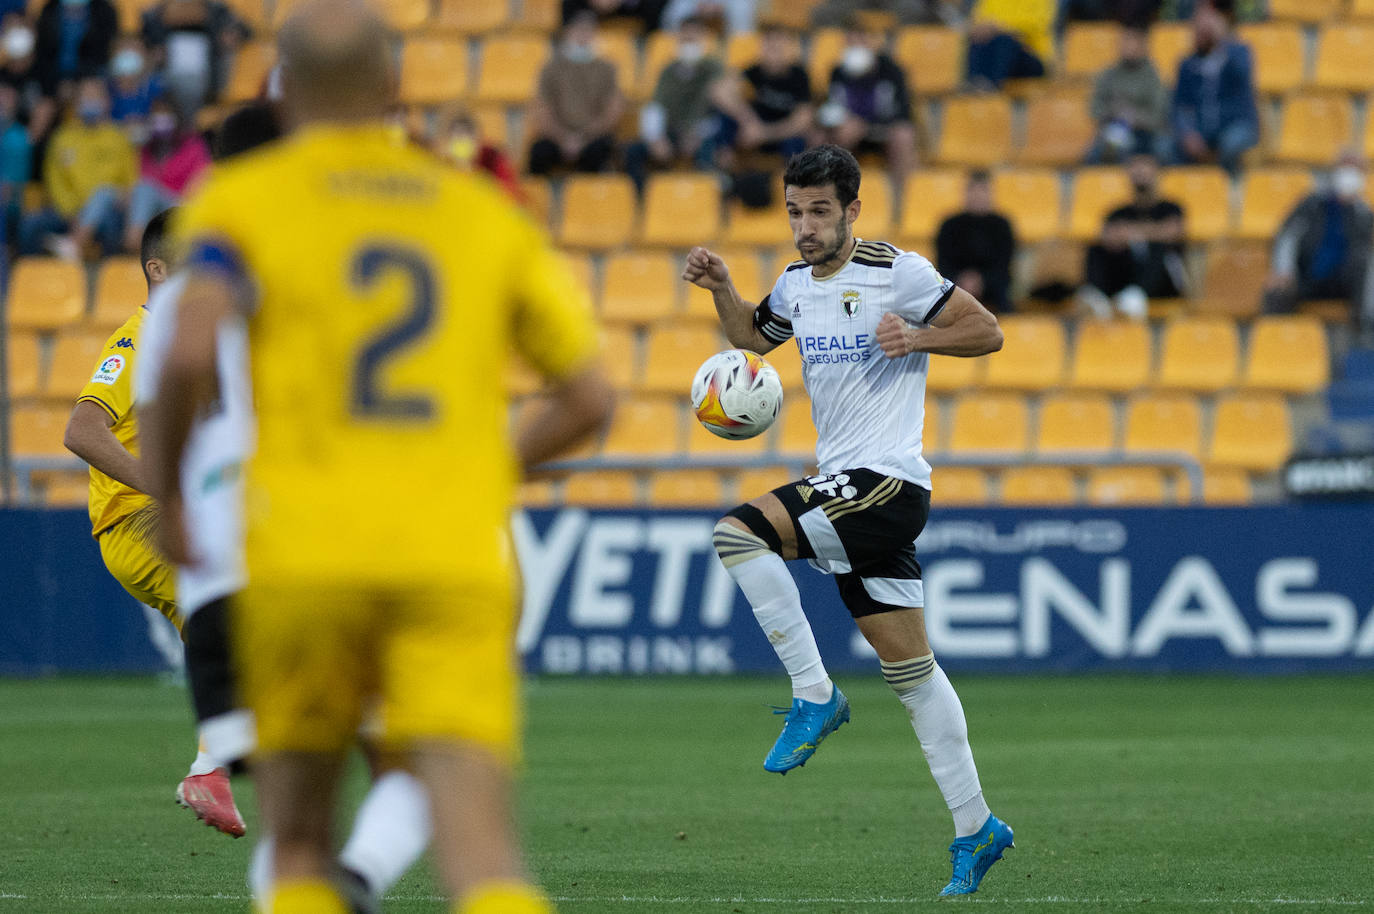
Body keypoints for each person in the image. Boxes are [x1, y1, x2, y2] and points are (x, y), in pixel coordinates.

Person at [143, 3, 614, 912]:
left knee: (300, 846)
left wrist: (167, 496)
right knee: (483, 853)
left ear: (285, 92)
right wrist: (485, 469)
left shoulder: (243, 202)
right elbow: (591, 397)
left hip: (300, 553)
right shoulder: (475, 210)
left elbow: (189, 351)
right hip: (449, 555)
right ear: (394, 88)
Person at [682, 144, 1011, 897]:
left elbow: (988, 330)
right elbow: (751, 341)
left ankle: (814, 693)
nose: (805, 226)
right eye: (795, 212)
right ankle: (978, 828)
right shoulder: (796, 284)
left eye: (820, 211)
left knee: (737, 532)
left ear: (853, 210)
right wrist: (723, 289)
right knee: (913, 675)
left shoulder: (899, 272)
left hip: (886, 483)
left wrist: (921, 336)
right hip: (848, 488)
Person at [61, 209, 248, 837]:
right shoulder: (135, 340)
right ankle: (211, 766)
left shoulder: (199, 342)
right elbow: (80, 430)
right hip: (134, 520)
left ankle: (218, 766)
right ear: (159, 269)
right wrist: (163, 486)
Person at [21, 78, 136, 259]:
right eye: (85, 97)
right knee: (30, 224)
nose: (90, 101)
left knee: (112, 225)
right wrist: (71, 211)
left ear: (106, 102)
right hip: (65, 212)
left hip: (106, 213)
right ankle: (29, 278)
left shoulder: (118, 138)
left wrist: (112, 203)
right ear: (76, 103)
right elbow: (54, 180)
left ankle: (106, 279)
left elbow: (130, 180)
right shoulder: (62, 137)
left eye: (95, 96)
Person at [1264, 153, 1374, 332]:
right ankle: (1276, 345)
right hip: (1306, 276)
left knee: (1364, 266)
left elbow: (1366, 253)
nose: (1349, 176)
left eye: (1356, 171)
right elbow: (1287, 237)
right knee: (1276, 292)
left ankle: (1362, 343)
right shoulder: (1312, 204)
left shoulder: (1363, 214)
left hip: (1342, 282)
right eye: (1345, 169)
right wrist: (1284, 271)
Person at [1079, 152, 1186, 319]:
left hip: (1163, 282)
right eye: (1136, 167)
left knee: (1158, 248)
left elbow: (1172, 233)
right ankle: (1097, 295)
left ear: (1157, 171)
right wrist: (1150, 232)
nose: (1140, 172)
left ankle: (1138, 293)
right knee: (1096, 248)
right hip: (1128, 274)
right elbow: (1109, 237)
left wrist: (1133, 233)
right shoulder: (1118, 212)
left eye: (1146, 166)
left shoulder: (1170, 208)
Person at [624, 16, 724, 192]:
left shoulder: (714, 67)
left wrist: (697, 133)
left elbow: (720, 109)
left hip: (705, 133)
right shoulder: (669, 70)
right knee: (632, 151)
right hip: (675, 131)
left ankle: (708, 196)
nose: (689, 43)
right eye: (685, 38)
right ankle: (642, 198)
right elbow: (656, 104)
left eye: (693, 38)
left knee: (710, 151)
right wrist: (655, 138)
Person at [527, 10, 623, 175]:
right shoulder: (551, 68)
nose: (583, 36)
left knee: (600, 151)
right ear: (568, 32)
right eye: (579, 30)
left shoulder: (606, 68)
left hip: (593, 137)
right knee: (538, 153)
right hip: (557, 137)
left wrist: (584, 137)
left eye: (588, 31)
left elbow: (612, 110)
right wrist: (563, 138)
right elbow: (542, 109)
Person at [816, 28, 917, 181]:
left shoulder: (892, 71)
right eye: (851, 44)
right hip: (850, 131)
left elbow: (903, 112)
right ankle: (836, 188)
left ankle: (901, 192)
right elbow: (832, 107)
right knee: (823, 136)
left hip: (883, 129)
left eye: (860, 42)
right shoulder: (838, 72)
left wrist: (866, 124)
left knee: (904, 135)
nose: (856, 48)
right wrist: (842, 122)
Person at [1170, 0, 1257, 174]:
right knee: (1167, 148)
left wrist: (1222, 40)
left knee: (1232, 143)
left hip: (1235, 124)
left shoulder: (1239, 53)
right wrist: (1187, 133)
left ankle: (1228, 188)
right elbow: (1180, 105)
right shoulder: (1187, 64)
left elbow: (1241, 73)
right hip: (1201, 129)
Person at [709, 23, 812, 169]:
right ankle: (724, 176)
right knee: (723, 120)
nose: (773, 53)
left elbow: (802, 120)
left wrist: (764, 132)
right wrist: (748, 119)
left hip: (781, 132)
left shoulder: (799, 75)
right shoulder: (754, 71)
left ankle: (790, 183)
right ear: (762, 48)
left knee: (797, 141)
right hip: (753, 128)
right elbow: (718, 92)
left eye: (778, 48)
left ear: (788, 48)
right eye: (769, 47)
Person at [123, 97, 211, 251]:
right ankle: (137, 242)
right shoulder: (145, 150)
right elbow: (137, 186)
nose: (160, 118)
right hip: (153, 213)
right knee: (137, 191)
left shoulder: (193, 145)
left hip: (182, 206)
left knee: (146, 188)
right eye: (157, 114)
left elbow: (202, 181)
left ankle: (134, 242)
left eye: (165, 113)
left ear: (176, 117)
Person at [139, 0, 253, 113]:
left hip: (208, 84)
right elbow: (140, 42)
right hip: (167, 83)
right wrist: (153, 52)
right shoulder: (153, 15)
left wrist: (232, 34)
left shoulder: (218, 11)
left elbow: (246, 31)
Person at [1086, 23, 1169, 163]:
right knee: (1097, 152)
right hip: (1115, 128)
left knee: (1164, 148)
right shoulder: (1108, 75)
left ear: (1143, 46)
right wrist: (1113, 110)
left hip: (1146, 133)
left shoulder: (1153, 76)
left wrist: (1135, 116)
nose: (1128, 46)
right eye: (1125, 41)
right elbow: (1095, 110)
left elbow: (1159, 115)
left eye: (1133, 41)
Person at [935, 171, 1015, 312]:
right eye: (973, 190)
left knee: (1006, 305)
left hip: (993, 289)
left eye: (983, 190)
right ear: (965, 193)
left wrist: (981, 281)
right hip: (955, 286)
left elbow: (1004, 265)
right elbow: (943, 263)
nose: (978, 196)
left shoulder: (1002, 225)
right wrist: (961, 281)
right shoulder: (949, 225)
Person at [33, 0, 118, 96]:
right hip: (54, 80)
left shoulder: (104, 11)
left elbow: (103, 55)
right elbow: (43, 55)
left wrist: (77, 83)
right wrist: (55, 85)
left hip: (90, 77)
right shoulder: (49, 10)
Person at [964, 16, 1046, 91]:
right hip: (1002, 61)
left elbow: (1034, 27)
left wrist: (998, 28)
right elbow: (978, 25)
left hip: (1030, 56)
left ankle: (990, 85)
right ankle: (976, 83)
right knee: (977, 41)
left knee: (1004, 40)